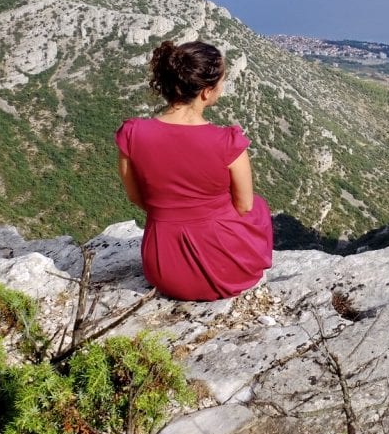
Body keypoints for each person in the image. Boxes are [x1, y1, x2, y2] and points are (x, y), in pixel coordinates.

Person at [114, 40, 273, 301]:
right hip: (226, 271)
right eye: (221, 82)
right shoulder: (228, 142)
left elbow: (136, 197)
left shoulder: (132, 134)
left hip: (164, 270)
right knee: (259, 207)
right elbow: (243, 205)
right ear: (206, 93)